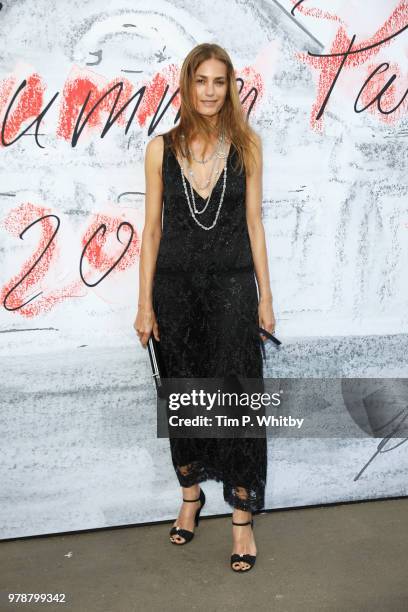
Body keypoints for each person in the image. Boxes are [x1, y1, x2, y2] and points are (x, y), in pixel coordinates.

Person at [134, 43, 275, 573]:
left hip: (234, 290)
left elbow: (255, 225)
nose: (211, 91)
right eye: (202, 81)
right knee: (185, 395)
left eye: (220, 81)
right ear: (187, 86)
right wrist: (144, 303)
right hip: (175, 291)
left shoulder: (248, 147)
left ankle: (241, 519)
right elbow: (152, 231)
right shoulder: (159, 149)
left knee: (238, 398)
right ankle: (190, 497)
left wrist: (266, 298)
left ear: (230, 86)